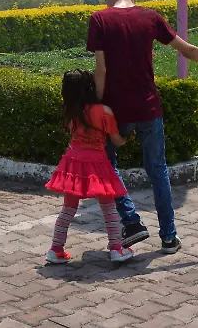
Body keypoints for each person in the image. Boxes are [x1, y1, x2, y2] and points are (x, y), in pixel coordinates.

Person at [88, 0, 198, 254]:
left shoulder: (100, 19)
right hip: (148, 106)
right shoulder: (150, 17)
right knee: (157, 170)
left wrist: (97, 105)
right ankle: (168, 236)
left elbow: (101, 68)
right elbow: (187, 50)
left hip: (115, 109)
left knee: (107, 165)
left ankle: (131, 221)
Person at [44, 69, 135, 265]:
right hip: (97, 163)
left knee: (68, 208)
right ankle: (116, 248)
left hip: (72, 162)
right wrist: (129, 136)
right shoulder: (104, 112)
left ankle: (56, 249)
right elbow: (117, 141)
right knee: (108, 206)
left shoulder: (71, 112)